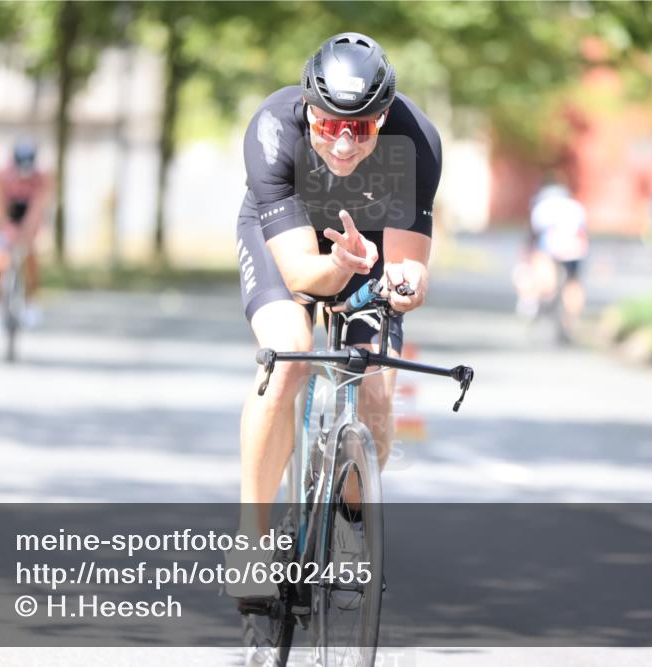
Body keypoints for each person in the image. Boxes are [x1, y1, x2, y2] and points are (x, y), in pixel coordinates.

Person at [229, 32, 441, 601]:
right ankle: (251, 539)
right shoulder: (274, 129)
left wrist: (404, 282)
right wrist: (340, 268)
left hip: (368, 241)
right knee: (289, 357)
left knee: (374, 380)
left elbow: (410, 268)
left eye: (363, 128)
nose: (345, 145)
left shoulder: (416, 141)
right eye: (328, 126)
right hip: (288, 239)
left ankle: (349, 520)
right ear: (306, 108)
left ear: (385, 115)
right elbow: (300, 274)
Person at [0, 140, 50, 335]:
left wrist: (27, 234)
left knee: (31, 258)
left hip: (28, 223)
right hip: (4, 222)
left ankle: (31, 302)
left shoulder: (41, 179)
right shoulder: (1, 177)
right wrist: (6, 231)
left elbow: (37, 209)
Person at [515, 183, 589, 338]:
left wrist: (529, 256)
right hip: (575, 247)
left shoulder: (542, 207)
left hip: (551, 244)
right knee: (573, 281)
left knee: (542, 267)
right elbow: (583, 232)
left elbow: (534, 237)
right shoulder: (576, 207)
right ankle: (572, 318)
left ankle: (536, 299)